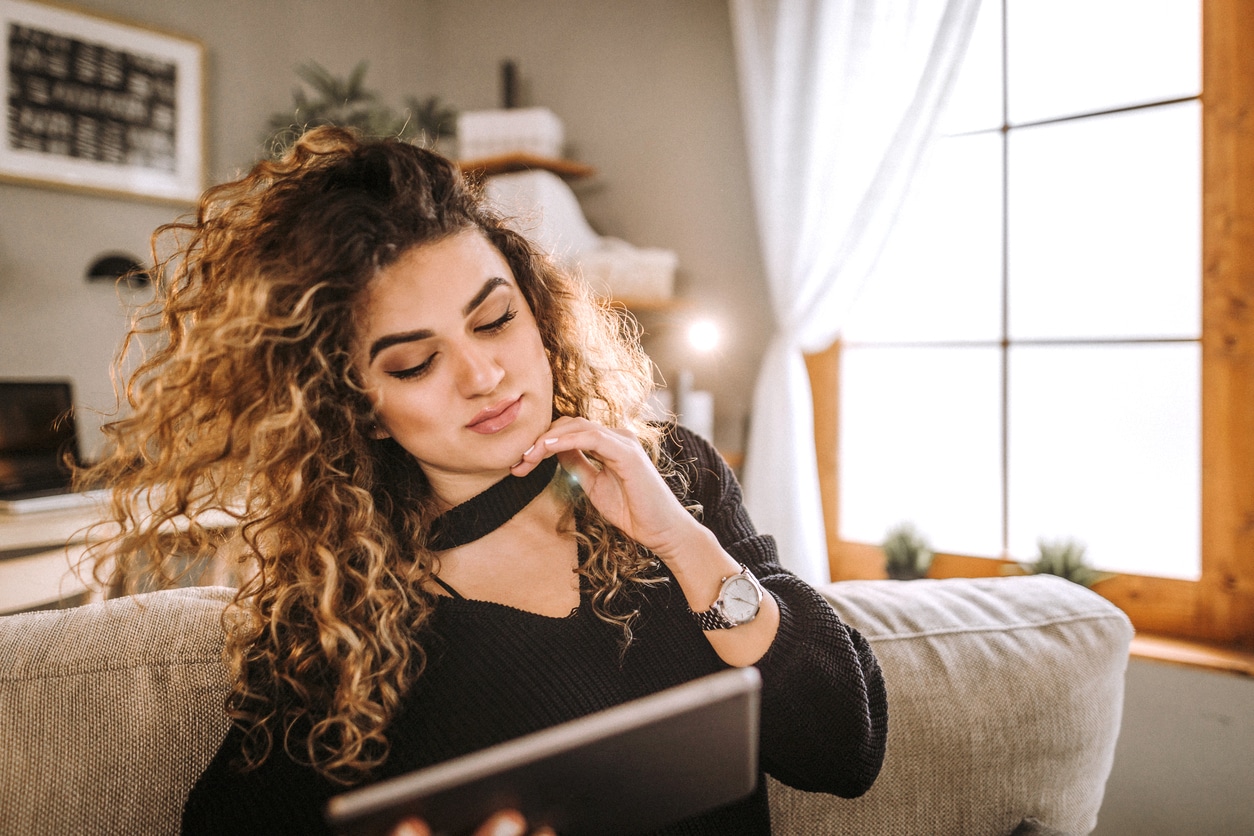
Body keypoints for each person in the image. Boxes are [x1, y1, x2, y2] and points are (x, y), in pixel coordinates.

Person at [80, 126, 887, 835]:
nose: (483, 375)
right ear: (358, 404)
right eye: (415, 361)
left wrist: (681, 540)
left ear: (539, 314)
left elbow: (844, 748)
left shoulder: (673, 472)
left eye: (495, 319)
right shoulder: (343, 612)